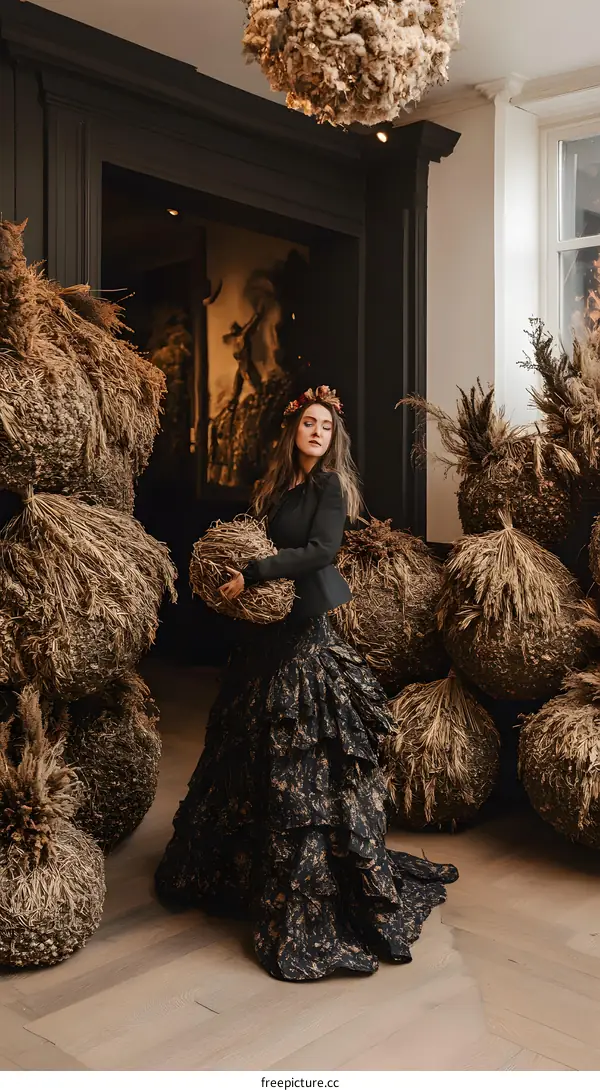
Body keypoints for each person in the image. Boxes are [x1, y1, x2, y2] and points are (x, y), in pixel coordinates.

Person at [155, 385, 458, 982]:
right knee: (246, 745)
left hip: (305, 628)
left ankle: (311, 886)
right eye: (309, 423)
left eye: (326, 426)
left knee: (308, 755)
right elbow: (259, 536)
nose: (317, 431)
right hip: (265, 630)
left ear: (334, 438)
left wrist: (254, 572)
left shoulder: (331, 489)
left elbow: (321, 553)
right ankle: (244, 867)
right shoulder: (275, 488)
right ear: (292, 431)